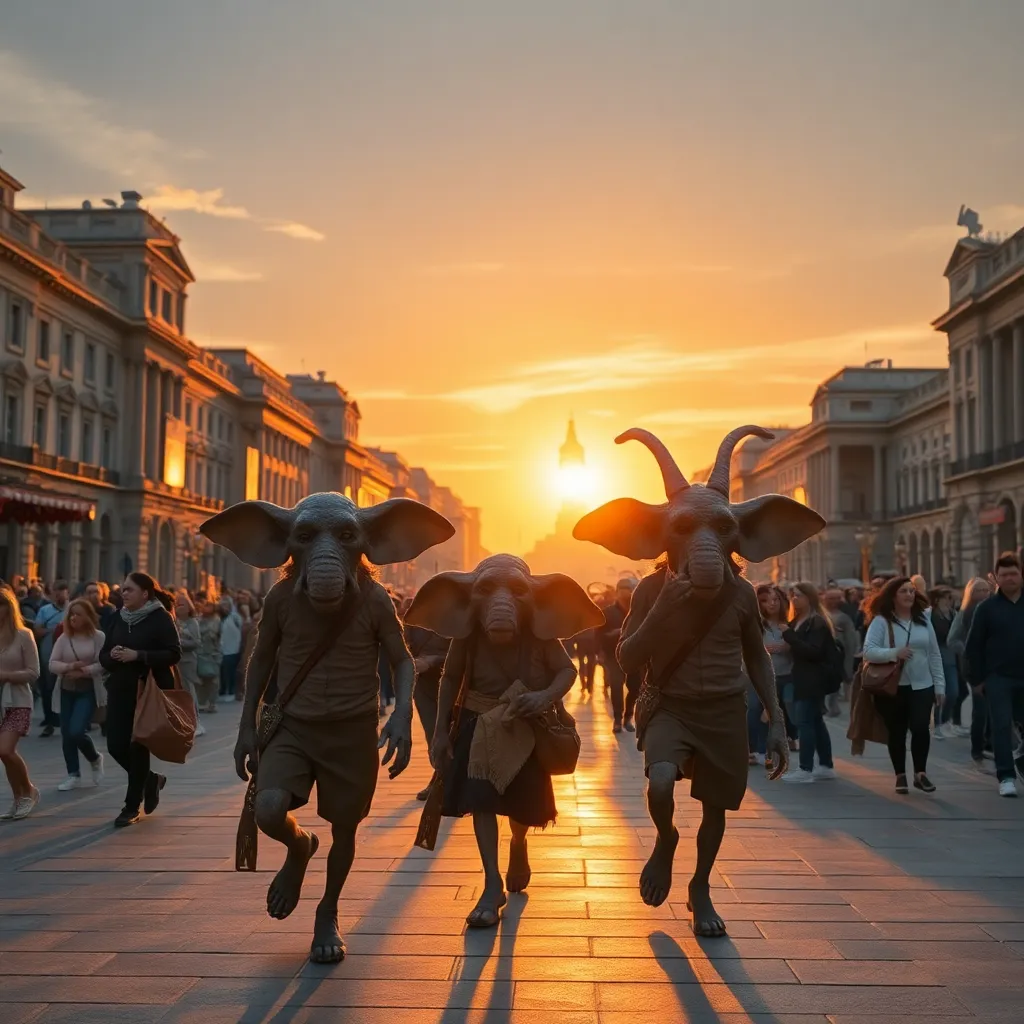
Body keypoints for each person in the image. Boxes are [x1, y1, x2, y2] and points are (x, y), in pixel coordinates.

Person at [408, 554, 600, 929]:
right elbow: (450, 678)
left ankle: (518, 842)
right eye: (488, 591)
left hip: (524, 726)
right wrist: (440, 733)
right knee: (481, 800)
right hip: (477, 725)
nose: (502, 602)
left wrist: (544, 697)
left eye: (515, 592)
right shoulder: (468, 635)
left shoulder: (540, 636)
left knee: (519, 806)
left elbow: (566, 670)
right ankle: (491, 882)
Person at [99, 573, 181, 827]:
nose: (123, 593)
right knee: (115, 745)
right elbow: (103, 656)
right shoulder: (116, 618)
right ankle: (150, 780)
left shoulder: (160, 618)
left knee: (138, 746)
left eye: (129, 590)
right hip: (120, 688)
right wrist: (112, 655)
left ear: (145, 594)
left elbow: (173, 653)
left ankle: (131, 806)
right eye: (123, 589)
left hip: (148, 690)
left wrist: (139, 655)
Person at [863, 576, 945, 795]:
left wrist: (940, 686)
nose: (909, 595)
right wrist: (894, 653)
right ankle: (900, 774)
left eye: (911, 591)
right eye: (904, 591)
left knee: (920, 727)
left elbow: (934, 654)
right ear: (892, 596)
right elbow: (868, 651)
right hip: (892, 686)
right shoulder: (881, 621)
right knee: (897, 731)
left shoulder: (924, 620)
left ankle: (921, 773)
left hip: (922, 684)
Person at [965, 553, 1024, 798]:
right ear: (996, 578)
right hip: (998, 678)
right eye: (1004, 574)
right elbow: (973, 646)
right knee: (1000, 726)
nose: (1010, 578)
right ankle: (1006, 775)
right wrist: (976, 680)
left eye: (1014, 573)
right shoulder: (986, 608)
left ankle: (1019, 758)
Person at [779, 582, 837, 783]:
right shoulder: (798, 620)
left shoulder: (816, 622)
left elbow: (813, 651)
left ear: (809, 598)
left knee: (805, 722)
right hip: (802, 677)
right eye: (793, 595)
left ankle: (806, 769)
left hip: (813, 679)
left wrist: (788, 635)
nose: (794, 599)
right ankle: (826, 765)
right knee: (816, 722)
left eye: (798, 595)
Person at [50, 598, 106, 791]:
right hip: (66, 690)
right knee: (66, 733)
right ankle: (73, 774)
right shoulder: (64, 638)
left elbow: (103, 663)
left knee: (76, 730)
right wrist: (70, 667)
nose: (73, 617)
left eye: (78, 614)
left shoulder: (98, 637)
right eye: (71, 614)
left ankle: (95, 758)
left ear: (88, 616)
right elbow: (52, 663)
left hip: (87, 690)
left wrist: (84, 671)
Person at [0, 586, 41, 819]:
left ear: (9, 608)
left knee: (5, 749)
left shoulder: (24, 635)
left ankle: (28, 793)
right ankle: (19, 798)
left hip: (17, 700)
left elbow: (34, 672)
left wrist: (6, 675)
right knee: (3, 754)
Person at [948, 576, 993, 769]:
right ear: (971, 593)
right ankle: (977, 749)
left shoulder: (992, 610)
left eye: (986, 590)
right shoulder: (965, 613)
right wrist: (969, 649)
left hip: (994, 666)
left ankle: (989, 744)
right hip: (974, 668)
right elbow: (952, 640)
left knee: (994, 709)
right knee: (981, 709)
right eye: (979, 590)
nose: (984, 594)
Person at [752, 585, 798, 766]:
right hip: (766, 678)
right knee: (765, 714)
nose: (772, 604)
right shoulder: (758, 624)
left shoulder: (790, 623)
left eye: (776, 599)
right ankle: (764, 750)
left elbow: (800, 644)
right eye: (766, 601)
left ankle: (791, 737)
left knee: (789, 709)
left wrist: (789, 646)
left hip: (788, 675)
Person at [405, 617, 450, 801]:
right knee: (432, 733)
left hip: (453, 684)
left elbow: (470, 652)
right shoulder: (412, 619)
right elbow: (402, 648)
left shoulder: (456, 617)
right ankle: (440, 777)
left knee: (452, 733)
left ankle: (446, 780)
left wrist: (432, 660)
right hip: (423, 685)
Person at [601, 578, 640, 734]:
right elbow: (599, 635)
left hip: (635, 656)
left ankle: (628, 717)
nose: (626, 592)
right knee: (616, 686)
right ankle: (617, 720)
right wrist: (613, 635)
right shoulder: (608, 613)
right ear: (616, 592)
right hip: (613, 656)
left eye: (629, 589)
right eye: (622, 589)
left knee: (635, 688)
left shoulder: (639, 611)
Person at [33, 580, 69, 736]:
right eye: (56, 591)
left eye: (62, 591)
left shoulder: (73, 609)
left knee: (66, 688)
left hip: (68, 656)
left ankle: (66, 720)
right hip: (48, 654)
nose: (59, 594)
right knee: (48, 688)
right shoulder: (45, 610)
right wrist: (54, 629)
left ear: (67, 592)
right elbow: (37, 631)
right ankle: (50, 720)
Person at [929, 587, 962, 740]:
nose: (950, 600)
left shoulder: (953, 614)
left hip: (952, 657)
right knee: (939, 692)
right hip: (937, 655)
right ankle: (937, 725)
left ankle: (946, 721)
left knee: (954, 692)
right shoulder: (931, 615)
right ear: (938, 599)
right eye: (947, 597)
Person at [823, 588, 858, 716]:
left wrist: (849, 658)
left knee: (835, 680)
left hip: (838, 654)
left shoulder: (843, 617)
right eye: (830, 598)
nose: (832, 601)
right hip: (822, 654)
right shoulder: (821, 614)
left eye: (835, 598)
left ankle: (833, 706)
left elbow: (850, 639)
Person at [175, 593, 205, 738]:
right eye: (177, 604)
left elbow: (196, 642)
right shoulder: (173, 621)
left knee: (189, 691)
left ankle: (196, 722)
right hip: (175, 661)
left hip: (188, 661)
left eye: (182, 604)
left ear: (189, 607)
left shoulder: (192, 623)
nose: (179, 606)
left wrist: (179, 643)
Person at [196, 601, 223, 713]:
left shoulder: (217, 620)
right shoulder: (198, 620)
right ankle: (202, 702)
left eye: (209, 605)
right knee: (200, 680)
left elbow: (218, 636)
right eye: (205, 605)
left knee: (213, 681)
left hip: (212, 653)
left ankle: (212, 703)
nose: (206, 607)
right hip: (200, 653)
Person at [218, 596, 244, 700]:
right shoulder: (219, 618)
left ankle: (232, 690)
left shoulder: (235, 617)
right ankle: (223, 690)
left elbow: (240, 629)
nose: (224, 607)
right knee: (222, 670)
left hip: (233, 648)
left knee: (231, 670)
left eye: (226, 605)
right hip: (221, 649)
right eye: (222, 605)